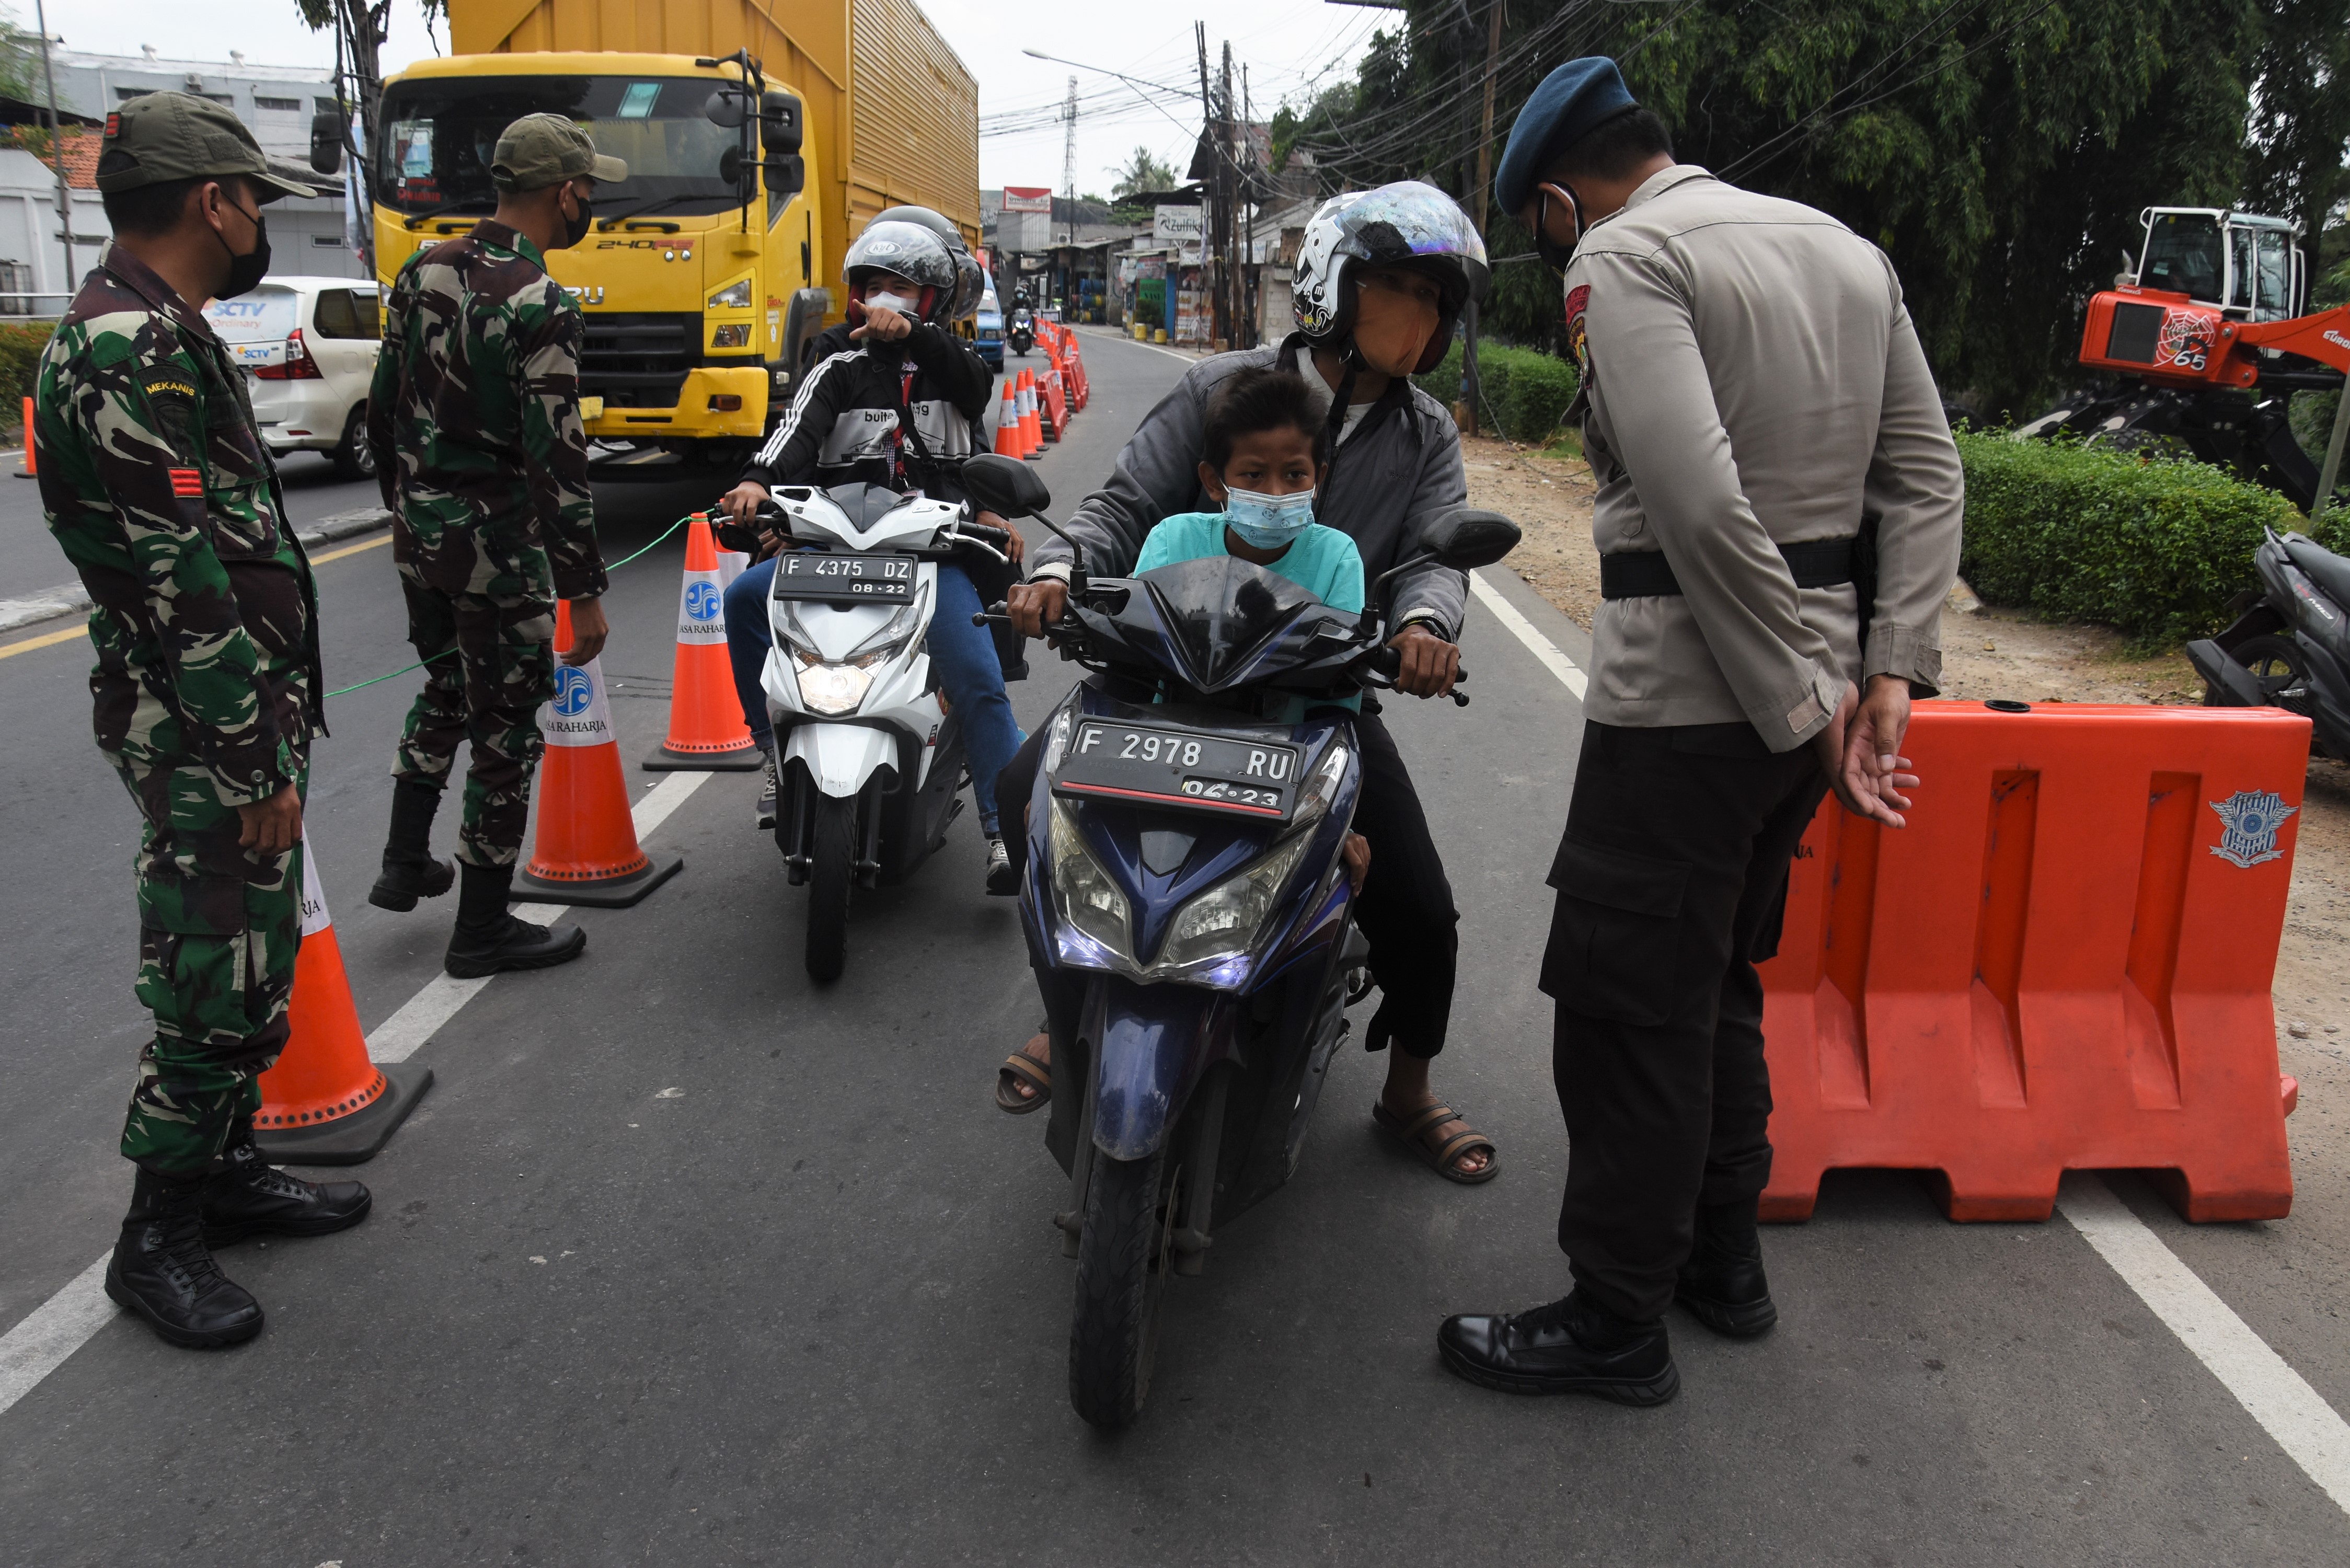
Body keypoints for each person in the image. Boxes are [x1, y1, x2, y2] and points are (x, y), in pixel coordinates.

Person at [1437, 57, 1963, 1404]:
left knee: (1625, 1014)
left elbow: (1695, 502)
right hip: (1814, 700)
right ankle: (1721, 1262)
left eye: (1548, 221)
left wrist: (1798, 696)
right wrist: (1881, 679)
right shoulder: (1848, 253)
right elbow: (1923, 472)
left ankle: (1616, 1319)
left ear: (1560, 198)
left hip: (1690, 702)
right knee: (1716, 979)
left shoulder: (1622, 262)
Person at [1000, 181, 1499, 1185]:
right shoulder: (1217, 388)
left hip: (1317, 700)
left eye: (1436, 300)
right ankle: (1075, 1007)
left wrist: (1423, 627)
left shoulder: (1425, 433)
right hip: (1168, 680)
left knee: (1423, 910)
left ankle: (1408, 1093)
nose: (1421, 318)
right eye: (1399, 288)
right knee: (1025, 794)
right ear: (1336, 287)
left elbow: (1439, 559)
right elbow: (1123, 507)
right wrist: (1058, 573)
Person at [35, 92, 370, 1348]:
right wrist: (248, 755)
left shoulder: (159, 329)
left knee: (254, 951)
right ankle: (157, 1235)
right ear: (209, 203)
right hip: (196, 718)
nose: (259, 221)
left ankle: (222, 1174)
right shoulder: (125, 348)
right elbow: (180, 578)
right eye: (252, 198)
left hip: (225, 706)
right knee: (209, 968)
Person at [365, 112, 620, 978]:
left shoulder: (423, 267)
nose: (590, 203)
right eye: (589, 189)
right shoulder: (540, 303)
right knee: (506, 727)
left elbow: (384, 400)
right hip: (495, 548)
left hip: (419, 531)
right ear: (566, 193)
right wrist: (582, 588)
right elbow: (559, 458)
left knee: (443, 685)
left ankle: (405, 860)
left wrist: (404, 506)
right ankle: (482, 927)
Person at [716, 212, 1026, 894]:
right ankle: (772, 752)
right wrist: (754, 485)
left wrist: (995, 511)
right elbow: (793, 436)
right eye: (870, 285)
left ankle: (1006, 827)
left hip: (929, 558)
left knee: (976, 672)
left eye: (900, 287)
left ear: (933, 300)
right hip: (833, 547)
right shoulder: (835, 358)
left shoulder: (957, 367)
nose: (880, 297)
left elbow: (977, 437)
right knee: (740, 600)